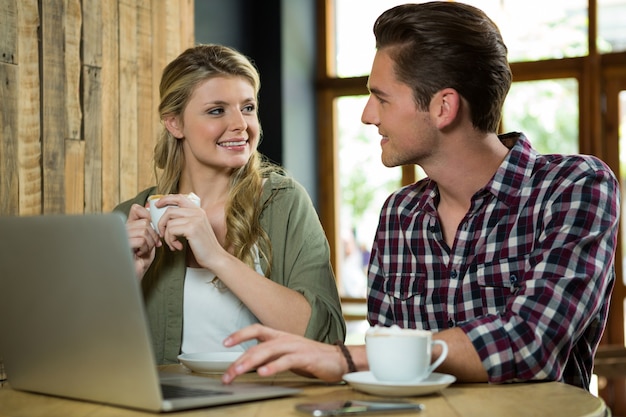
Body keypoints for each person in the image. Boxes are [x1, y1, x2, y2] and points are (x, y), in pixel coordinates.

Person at [221, 2, 620, 390]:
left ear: (444, 107)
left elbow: (530, 341)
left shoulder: (574, 187)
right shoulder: (400, 213)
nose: (367, 115)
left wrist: (346, 357)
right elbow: (391, 376)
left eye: (381, 97)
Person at [114, 44, 346, 364]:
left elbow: (326, 338)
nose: (241, 125)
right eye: (217, 110)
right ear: (174, 123)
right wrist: (127, 277)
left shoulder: (284, 202)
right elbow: (84, 354)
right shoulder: (129, 218)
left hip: (263, 406)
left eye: (248, 107)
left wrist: (217, 257)